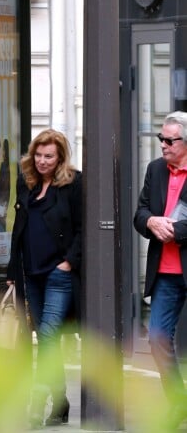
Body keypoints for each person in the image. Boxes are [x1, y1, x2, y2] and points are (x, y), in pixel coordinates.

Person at [6, 129, 82, 429]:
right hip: (30, 274)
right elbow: (18, 228)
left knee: (49, 336)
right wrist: (13, 271)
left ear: (60, 157)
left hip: (57, 274)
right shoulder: (25, 181)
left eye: (48, 156)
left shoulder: (73, 184)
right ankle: (61, 400)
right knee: (44, 338)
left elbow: (81, 227)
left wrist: (68, 263)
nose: (41, 161)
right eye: (38, 155)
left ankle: (38, 406)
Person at [133, 111, 187, 430]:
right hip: (165, 272)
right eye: (161, 139)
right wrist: (151, 221)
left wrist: (177, 232)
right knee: (157, 339)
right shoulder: (155, 170)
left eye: (169, 140)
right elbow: (141, 212)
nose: (163, 145)